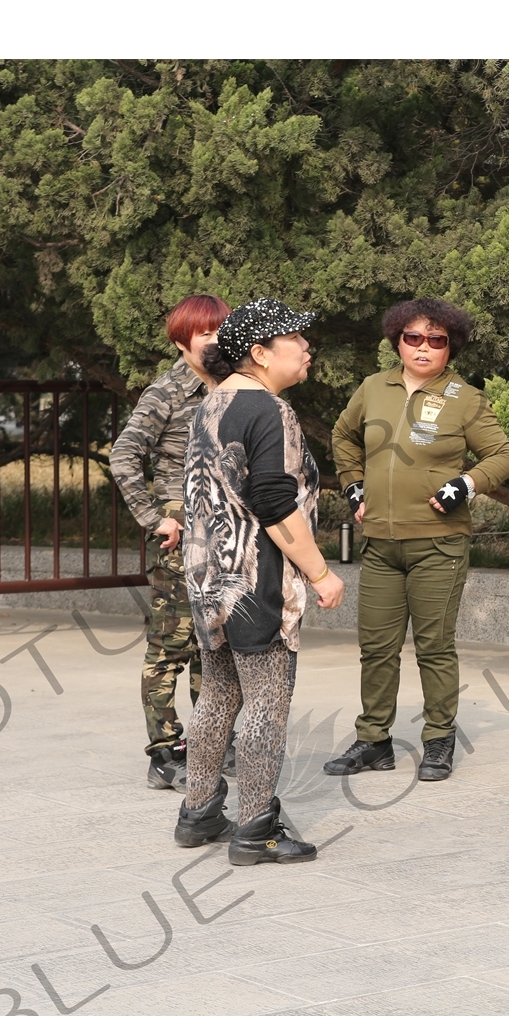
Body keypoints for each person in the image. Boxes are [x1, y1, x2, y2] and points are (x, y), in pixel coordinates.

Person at [175, 298, 345, 862]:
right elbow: (272, 499)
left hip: (207, 578)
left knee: (220, 691)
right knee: (267, 703)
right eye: (294, 339)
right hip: (255, 578)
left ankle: (199, 812)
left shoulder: (212, 403)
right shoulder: (268, 409)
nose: (306, 348)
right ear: (259, 352)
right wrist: (320, 572)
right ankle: (256, 829)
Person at [324, 299, 509, 783]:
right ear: (397, 342)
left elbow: (502, 455)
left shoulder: (464, 398)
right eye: (413, 338)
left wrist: (464, 485)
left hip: (438, 544)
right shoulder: (372, 389)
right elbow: (343, 436)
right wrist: (352, 485)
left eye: (437, 340)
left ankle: (438, 741)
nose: (424, 348)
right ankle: (373, 742)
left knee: (433, 646)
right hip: (381, 545)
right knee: (377, 647)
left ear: (451, 346)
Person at [109, 294, 233, 791]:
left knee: (215, 642)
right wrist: (154, 517)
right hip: (179, 536)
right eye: (204, 333)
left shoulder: (233, 388)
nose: (215, 341)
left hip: (224, 533)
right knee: (171, 644)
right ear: (182, 341)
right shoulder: (166, 391)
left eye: (221, 330)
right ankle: (164, 749)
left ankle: (208, 742)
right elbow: (123, 455)